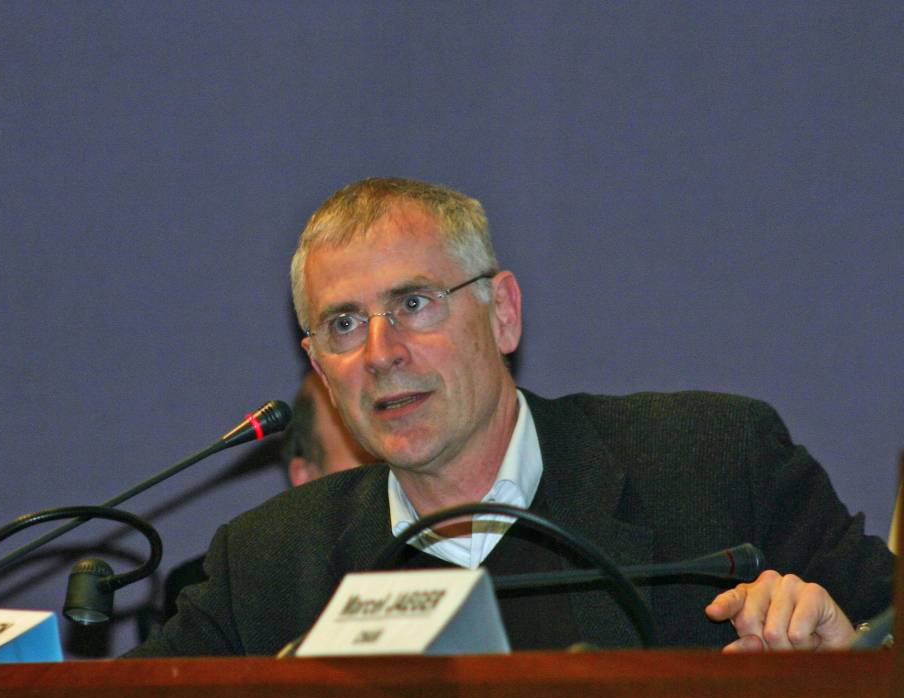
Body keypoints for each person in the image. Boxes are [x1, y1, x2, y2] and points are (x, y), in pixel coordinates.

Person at [129, 177, 894, 657]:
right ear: (320, 368)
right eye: (344, 324)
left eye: (413, 303)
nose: (381, 352)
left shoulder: (712, 462)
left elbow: (888, 627)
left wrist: (851, 648)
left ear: (503, 314)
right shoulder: (268, 563)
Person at [157, 371, 374, 622]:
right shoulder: (220, 593)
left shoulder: (414, 556)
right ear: (305, 476)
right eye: (368, 456)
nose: (392, 472)